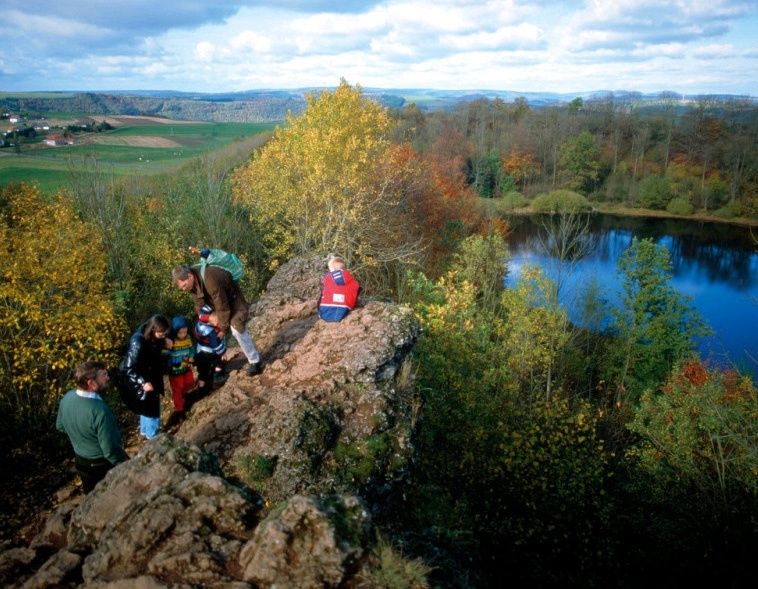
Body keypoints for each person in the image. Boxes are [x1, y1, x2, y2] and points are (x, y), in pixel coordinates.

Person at [172, 260, 262, 376]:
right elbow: (199, 305)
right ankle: (219, 363)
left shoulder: (210, 279)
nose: (184, 289)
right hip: (216, 305)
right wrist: (207, 318)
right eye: (182, 288)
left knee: (236, 328)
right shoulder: (193, 282)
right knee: (203, 329)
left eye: (184, 286)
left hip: (234, 302)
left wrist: (223, 329)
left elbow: (222, 306)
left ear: (189, 276)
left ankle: (255, 361)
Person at [56, 361, 129, 493]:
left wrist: (82, 438)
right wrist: (127, 464)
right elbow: (110, 451)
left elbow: (60, 426)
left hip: (81, 462)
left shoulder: (67, 397)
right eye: (103, 375)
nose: (108, 378)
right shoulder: (100, 411)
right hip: (101, 467)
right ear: (91, 383)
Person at [121, 314, 172, 439]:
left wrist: (164, 342)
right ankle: (153, 436)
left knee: (146, 405)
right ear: (153, 329)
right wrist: (142, 382)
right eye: (162, 333)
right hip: (139, 378)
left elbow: (152, 350)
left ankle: (145, 431)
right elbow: (129, 367)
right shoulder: (137, 342)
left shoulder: (149, 335)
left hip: (149, 373)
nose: (164, 335)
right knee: (152, 407)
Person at [164, 315, 195, 424]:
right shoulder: (171, 341)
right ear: (175, 331)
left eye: (185, 332)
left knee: (190, 382)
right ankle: (179, 409)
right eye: (180, 332)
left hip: (186, 366)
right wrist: (169, 366)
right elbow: (165, 354)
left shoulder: (188, 338)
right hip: (175, 370)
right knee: (177, 388)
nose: (183, 334)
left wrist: (190, 360)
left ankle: (183, 395)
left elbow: (191, 350)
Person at [194, 305, 227, 398]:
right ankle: (217, 380)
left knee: (202, 372)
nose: (217, 324)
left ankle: (201, 389)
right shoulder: (211, 331)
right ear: (210, 320)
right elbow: (216, 345)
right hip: (209, 353)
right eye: (216, 322)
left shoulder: (199, 325)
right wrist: (222, 353)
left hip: (199, 351)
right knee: (218, 364)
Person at [318, 254, 361, 322]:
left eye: (329, 268)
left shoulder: (327, 277)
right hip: (344, 312)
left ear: (332, 268)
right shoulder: (354, 282)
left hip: (324, 312)